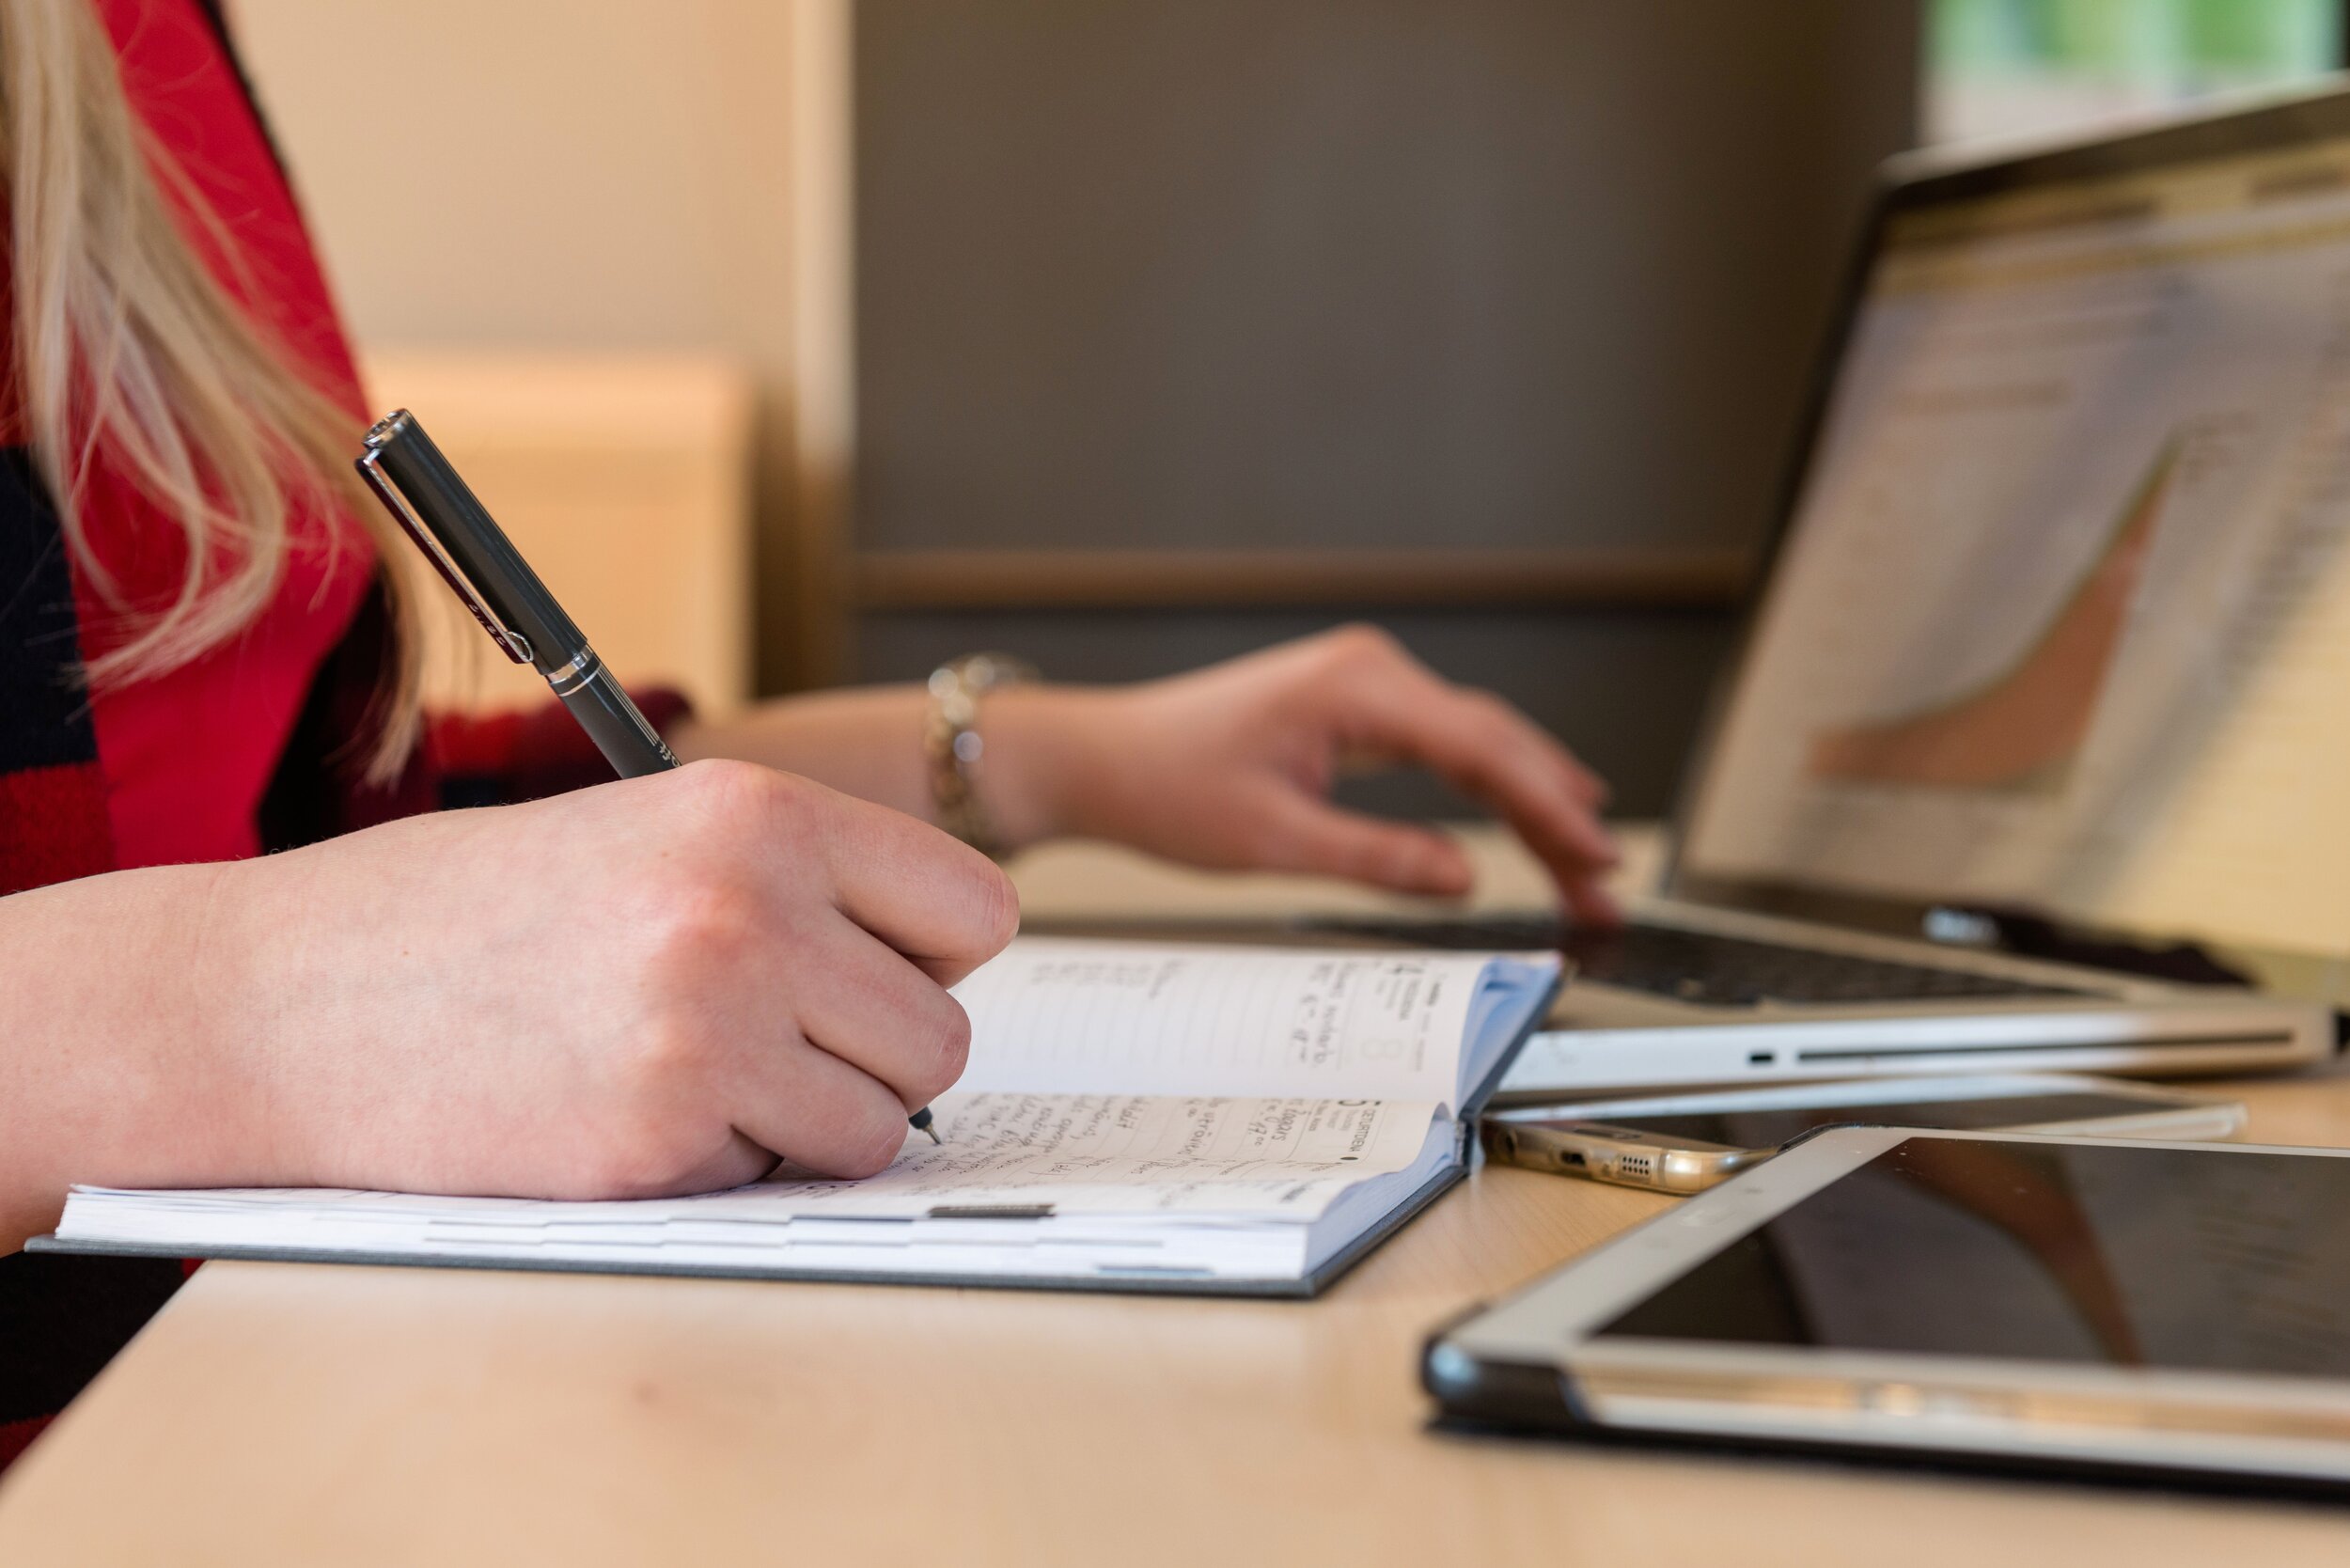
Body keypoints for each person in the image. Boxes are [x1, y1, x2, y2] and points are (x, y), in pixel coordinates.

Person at [0, 0, 1617, 1465]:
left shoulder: (144, 37)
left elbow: (321, 827)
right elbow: (315, 924)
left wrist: (1040, 756)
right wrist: (270, 1009)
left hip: (278, 1411)